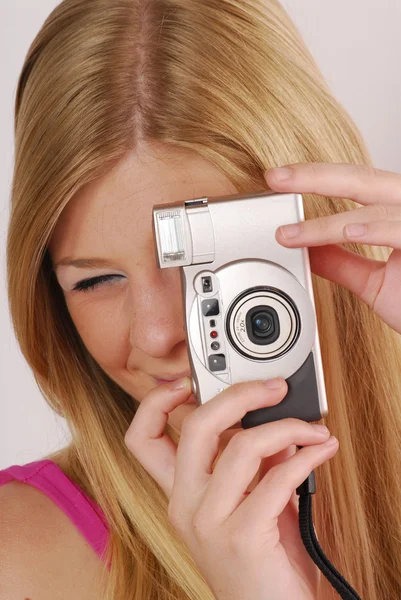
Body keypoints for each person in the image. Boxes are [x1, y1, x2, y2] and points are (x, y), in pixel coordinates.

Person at [1, 0, 401, 598]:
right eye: (94, 281)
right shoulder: (21, 556)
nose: (158, 333)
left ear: (317, 226)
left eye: (200, 263)